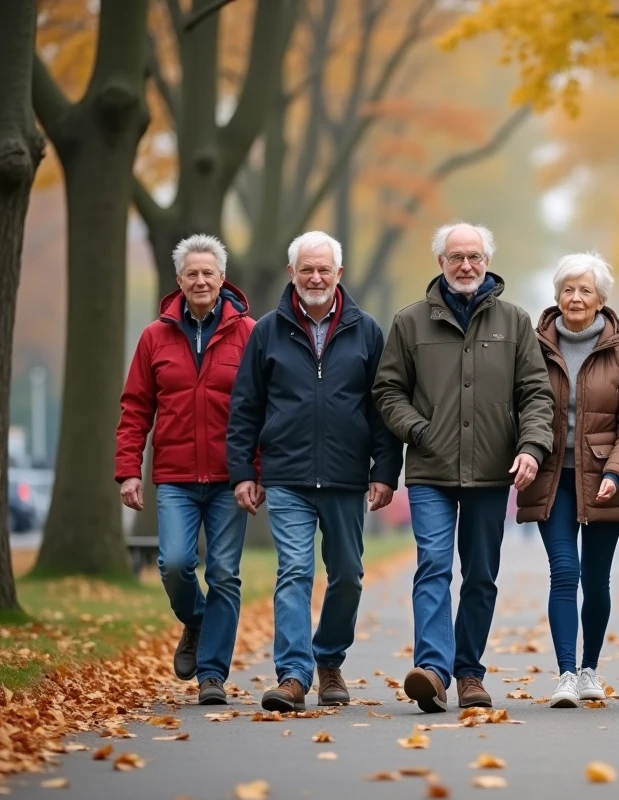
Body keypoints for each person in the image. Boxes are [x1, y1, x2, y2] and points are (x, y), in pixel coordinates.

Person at [373, 222, 555, 713]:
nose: (466, 265)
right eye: (456, 257)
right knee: (433, 565)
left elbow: (536, 394)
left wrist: (531, 448)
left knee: (480, 574)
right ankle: (432, 670)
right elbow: (387, 391)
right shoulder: (409, 322)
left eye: (474, 256)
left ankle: (469, 672)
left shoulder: (515, 322)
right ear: (441, 263)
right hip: (431, 467)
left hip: (493, 470)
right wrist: (418, 429)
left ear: (487, 262)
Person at [226, 230, 401, 712]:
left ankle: (328, 659)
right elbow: (246, 407)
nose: (316, 277)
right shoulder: (267, 331)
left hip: (347, 476)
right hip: (287, 476)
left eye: (324, 269)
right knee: (295, 572)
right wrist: (243, 471)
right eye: (307, 269)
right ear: (293, 274)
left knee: (347, 574)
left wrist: (385, 470)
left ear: (338, 274)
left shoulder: (367, 330)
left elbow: (382, 408)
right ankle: (294, 675)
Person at [115, 234, 256, 705]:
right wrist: (128, 470)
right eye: (191, 274)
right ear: (179, 281)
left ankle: (213, 674)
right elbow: (135, 406)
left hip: (228, 478)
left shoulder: (249, 333)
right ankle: (196, 620)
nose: (200, 280)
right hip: (174, 476)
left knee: (225, 574)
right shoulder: (155, 336)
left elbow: (263, 408)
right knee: (174, 563)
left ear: (221, 279)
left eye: (208, 273)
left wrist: (253, 471)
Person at [515, 252, 619, 709]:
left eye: (585, 290)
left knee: (596, 578)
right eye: (568, 289)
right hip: (551, 476)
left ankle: (590, 668)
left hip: (605, 475)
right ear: (556, 296)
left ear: (601, 300)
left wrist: (618, 469)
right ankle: (566, 674)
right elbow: (517, 405)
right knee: (564, 572)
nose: (575, 297)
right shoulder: (530, 346)